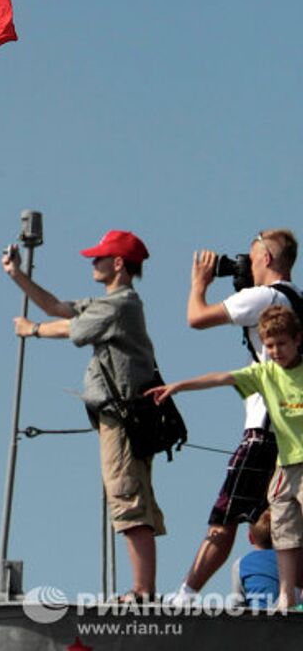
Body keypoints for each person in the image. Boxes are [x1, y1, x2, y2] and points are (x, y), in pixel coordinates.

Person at [3, 229, 165, 601]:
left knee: (127, 497)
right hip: (118, 419)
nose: (93, 262)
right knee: (127, 496)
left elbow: (71, 328)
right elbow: (57, 307)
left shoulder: (120, 306)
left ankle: (142, 590)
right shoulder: (109, 303)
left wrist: (34, 332)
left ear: (119, 263)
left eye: (100, 257)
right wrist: (17, 274)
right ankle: (143, 588)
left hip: (122, 420)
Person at [166, 228, 300, 606]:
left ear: (268, 259)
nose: (248, 263)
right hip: (292, 433)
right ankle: (289, 596)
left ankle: (185, 596)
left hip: (264, 430)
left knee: (224, 516)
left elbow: (197, 318)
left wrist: (199, 283)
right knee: (280, 527)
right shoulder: (298, 299)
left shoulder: (266, 296)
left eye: (252, 256)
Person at [148, 304, 303, 610]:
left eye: (281, 344)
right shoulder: (265, 372)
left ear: (298, 340)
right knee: (284, 530)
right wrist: (180, 386)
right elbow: (222, 378)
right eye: (269, 346)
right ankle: (287, 596)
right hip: (286, 464)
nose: (275, 351)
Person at [230, 510, 279, 609]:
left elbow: (237, 605)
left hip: (257, 620)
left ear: (250, 538)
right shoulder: (293, 562)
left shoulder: (241, 564)